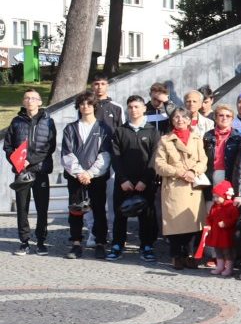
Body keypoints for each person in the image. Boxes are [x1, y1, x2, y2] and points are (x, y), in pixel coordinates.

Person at [153, 108, 208, 269]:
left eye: (184, 117)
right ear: (172, 120)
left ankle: (189, 254)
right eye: (176, 117)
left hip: (193, 184)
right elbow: (159, 164)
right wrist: (179, 172)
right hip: (175, 184)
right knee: (175, 224)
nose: (180, 120)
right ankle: (176, 255)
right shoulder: (165, 140)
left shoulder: (197, 138)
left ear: (189, 120)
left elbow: (203, 160)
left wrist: (193, 171)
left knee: (193, 223)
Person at [110, 96, 162, 262]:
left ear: (144, 108)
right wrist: (123, 179)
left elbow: (154, 159)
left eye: (137, 107)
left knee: (147, 215)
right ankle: (117, 244)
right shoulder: (120, 131)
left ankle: (147, 245)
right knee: (120, 214)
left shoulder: (153, 132)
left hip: (145, 182)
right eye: (130, 107)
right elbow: (115, 158)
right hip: (123, 182)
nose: (133, 110)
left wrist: (144, 181)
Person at [61, 92, 112, 259]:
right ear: (78, 106)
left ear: (94, 106)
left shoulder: (104, 129)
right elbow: (67, 153)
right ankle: (76, 244)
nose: (85, 106)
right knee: (75, 210)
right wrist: (79, 173)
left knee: (98, 209)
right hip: (75, 177)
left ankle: (100, 243)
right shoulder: (70, 128)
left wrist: (90, 173)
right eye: (82, 104)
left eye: (89, 104)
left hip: (96, 177)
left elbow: (105, 154)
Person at [4, 89, 55, 254]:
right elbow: (8, 146)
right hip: (21, 172)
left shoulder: (48, 121)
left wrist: (30, 160)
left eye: (34, 98)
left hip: (40, 171)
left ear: (40, 102)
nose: (30, 101)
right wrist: (18, 161)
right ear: (23, 101)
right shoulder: (16, 121)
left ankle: (40, 241)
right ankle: (24, 242)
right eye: (27, 98)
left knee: (42, 208)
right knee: (22, 208)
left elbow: (49, 146)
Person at [198, 181, 239, 277]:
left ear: (225, 195)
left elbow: (235, 219)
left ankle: (229, 268)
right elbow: (210, 217)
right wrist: (208, 225)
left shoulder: (231, 207)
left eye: (217, 196)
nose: (215, 199)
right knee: (218, 251)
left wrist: (226, 223)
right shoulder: (214, 206)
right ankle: (220, 266)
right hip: (216, 233)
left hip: (226, 235)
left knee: (227, 251)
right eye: (214, 196)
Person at [203, 106, 241, 197]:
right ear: (215, 118)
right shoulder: (207, 135)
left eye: (228, 116)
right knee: (210, 205)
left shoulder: (237, 137)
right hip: (210, 173)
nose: (224, 118)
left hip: (228, 174)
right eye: (221, 115)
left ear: (232, 119)